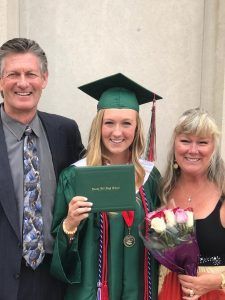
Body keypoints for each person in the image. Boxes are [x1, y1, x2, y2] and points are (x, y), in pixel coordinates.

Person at [50, 73, 162, 299]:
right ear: (98, 125)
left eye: (126, 123)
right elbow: (59, 250)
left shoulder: (151, 177)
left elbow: (160, 244)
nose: (117, 132)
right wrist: (70, 224)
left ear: (137, 128)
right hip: (91, 293)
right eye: (109, 122)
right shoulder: (74, 176)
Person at [0, 37, 84, 300]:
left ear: (44, 79)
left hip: (53, 277)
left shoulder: (65, 132)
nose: (23, 83)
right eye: (13, 74)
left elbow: (83, 185)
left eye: (31, 74)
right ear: (1, 81)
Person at [158, 108, 225, 299]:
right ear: (175, 145)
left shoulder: (223, 194)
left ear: (213, 148)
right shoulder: (161, 191)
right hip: (169, 291)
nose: (193, 150)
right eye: (185, 141)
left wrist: (219, 280)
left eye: (202, 142)